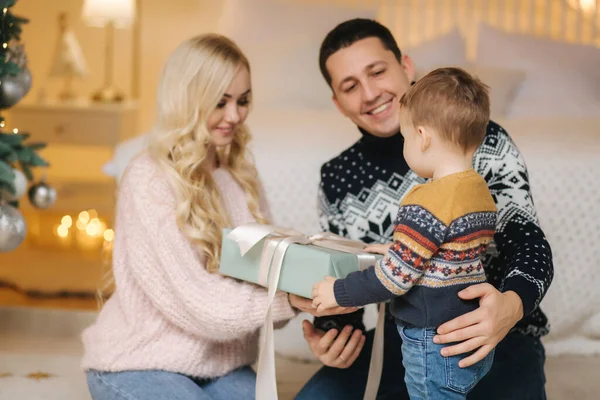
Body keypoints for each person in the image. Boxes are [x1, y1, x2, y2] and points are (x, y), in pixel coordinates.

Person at [294, 19, 553, 399]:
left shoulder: (479, 137)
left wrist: (510, 306)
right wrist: (331, 332)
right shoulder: (337, 178)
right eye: (350, 86)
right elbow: (348, 280)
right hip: (403, 338)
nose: (369, 93)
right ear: (338, 102)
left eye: (377, 71)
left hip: (495, 335)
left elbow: (529, 243)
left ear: (406, 66)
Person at [81, 33, 306, 400]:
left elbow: (267, 290)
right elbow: (199, 305)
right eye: (220, 102)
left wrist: (307, 286)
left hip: (225, 367)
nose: (234, 116)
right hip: (140, 361)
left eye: (243, 100)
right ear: (188, 99)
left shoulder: (240, 173)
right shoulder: (148, 177)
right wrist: (290, 299)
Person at [312, 67, 498, 399]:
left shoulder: (424, 199)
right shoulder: (479, 191)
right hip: (468, 335)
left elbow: (394, 279)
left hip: (432, 340)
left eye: (406, 136)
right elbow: (451, 250)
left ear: (422, 137)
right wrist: (399, 247)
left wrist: (338, 292)